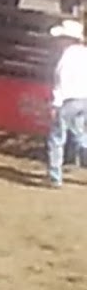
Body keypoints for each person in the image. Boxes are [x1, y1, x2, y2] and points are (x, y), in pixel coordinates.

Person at [47, 18, 87, 187]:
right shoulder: (84, 53)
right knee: (80, 136)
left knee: (57, 138)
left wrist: (56, 103)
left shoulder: (66, 57)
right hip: (84, 99)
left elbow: (60, 80)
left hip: (68, 100)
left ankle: (55, 176)